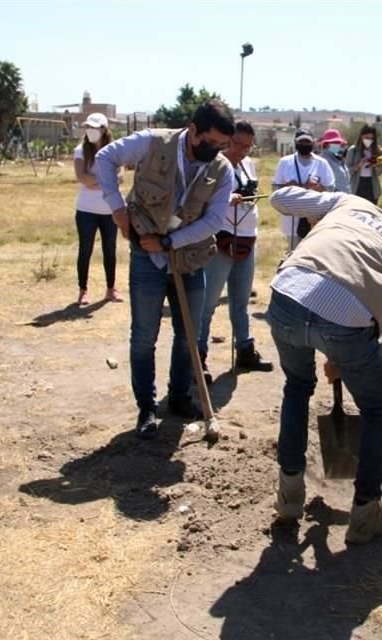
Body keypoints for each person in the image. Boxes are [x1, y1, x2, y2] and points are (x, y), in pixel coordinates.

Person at [266, 186, 382, 544]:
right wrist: (341, 358)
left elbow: (279, 200)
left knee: (297, 387)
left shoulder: (354, 203)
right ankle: (366, 514)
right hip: (346, 317)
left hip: (287, 292)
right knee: (375, 409)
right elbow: (379, 328)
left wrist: (317, 204)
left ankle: (289, 500)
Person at [95, 100, 236, 439]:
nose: (216, 150)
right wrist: (117, 210)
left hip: (189, 258)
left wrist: (172, 242)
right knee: (144, 337)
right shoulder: (153, 143)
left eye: (221, 145)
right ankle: (146, 407)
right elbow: (104, 159)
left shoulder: (222, 170)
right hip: (147, 256)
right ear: (193, 131)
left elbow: (215, 220)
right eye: (211, 142)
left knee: (192, 335)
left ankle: (178, 398)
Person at [198, 120, 272, 380]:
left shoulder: (248, 164)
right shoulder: (215, 165)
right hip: (221, 239)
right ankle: (198, 358)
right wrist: (226, 199)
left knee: (240, 302)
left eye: (247, 146)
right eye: (238, 144)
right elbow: (201, 198)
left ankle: (245, 350)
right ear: (228, 140)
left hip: (247, 237)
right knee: (207, 303)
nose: (242, 150)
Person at [73, 112, 122, 306]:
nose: (90, 131)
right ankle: (83, 290)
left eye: (94, 127)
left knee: (110, 249)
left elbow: (119, 177)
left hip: (110, 210)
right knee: (85, 249)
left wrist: (95, 182)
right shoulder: (80, 150)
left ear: (104, 129)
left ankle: (111, 289)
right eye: (88, 127)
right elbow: (82, 178)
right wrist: (105, 180)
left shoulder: (115, 151)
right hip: (86, 210)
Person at [271, 129, 335, 249]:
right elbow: (275, 189)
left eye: (308, 141)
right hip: (292, 220)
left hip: (315, 220)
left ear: (313, 143)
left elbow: (331, 190)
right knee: (294, 253)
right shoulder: (285, 162)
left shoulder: (322, 163)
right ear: (295, 143)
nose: (305, 144)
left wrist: (318, 188)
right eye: (302, 142)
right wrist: (288, 187)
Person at [344, 124, 382, 204]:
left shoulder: (378, 150)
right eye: (367, 138)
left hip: (372, 186)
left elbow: (380, 172)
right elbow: (347, 171)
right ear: (361, 136)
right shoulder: (353, 150)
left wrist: (375, 166)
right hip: (357, 185)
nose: (369, 140)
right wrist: (359, 165)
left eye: (372, 138)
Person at [318, 129, 351, 193]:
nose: (337, 144)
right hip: (334, 199)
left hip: (345, 198)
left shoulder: (337, 158)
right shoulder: (323, 161)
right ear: (326, 144)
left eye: (338, 142)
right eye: (334, 142)